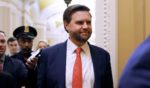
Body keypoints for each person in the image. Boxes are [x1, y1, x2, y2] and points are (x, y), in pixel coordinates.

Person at [37, 4, 113, 88]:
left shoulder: (103, 56)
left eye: (88, 22)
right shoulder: (48, 55)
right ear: (66, 25)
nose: (85, 26)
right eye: (80, 22)